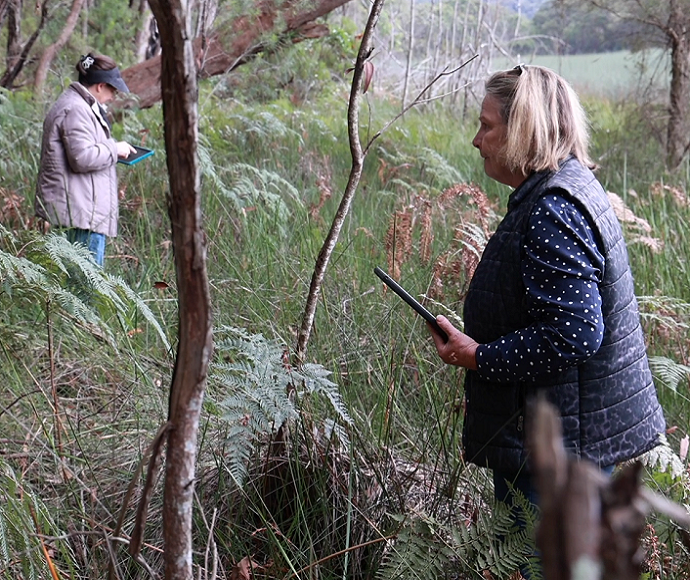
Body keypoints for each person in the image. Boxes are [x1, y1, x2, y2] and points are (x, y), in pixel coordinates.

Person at [428, 64, 666, 570]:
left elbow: (574, 333)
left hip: (558, 454)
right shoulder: (562, 189)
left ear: (523, 129)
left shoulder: (553, 207)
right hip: (562, 439)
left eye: (487, 125)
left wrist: (480, 357)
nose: (476, 140)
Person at [35, 53, 136, 267]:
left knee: (75, 292)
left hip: (81, 212)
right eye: (112, 90)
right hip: (81, 217)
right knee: (84, 292)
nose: (112, 96)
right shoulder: (77, 109)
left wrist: (111, 150)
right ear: (100, 86)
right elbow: (82, 157)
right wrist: (114, 149)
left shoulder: (78, 105)